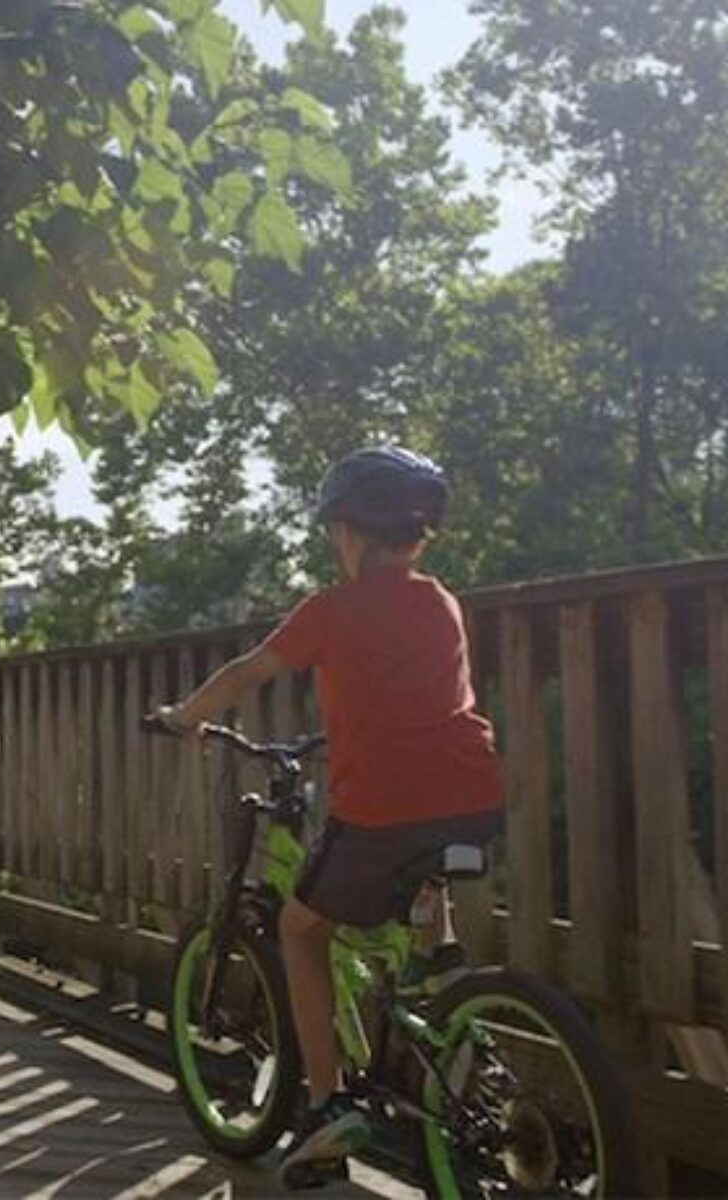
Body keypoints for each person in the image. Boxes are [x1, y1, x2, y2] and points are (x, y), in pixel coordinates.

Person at [156, 447, 504, 1177]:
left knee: (301, 929)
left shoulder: (331, 608)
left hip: (382, 811)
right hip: (475, 800)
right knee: (422, 868)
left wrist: (185, 717)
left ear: (349, 533)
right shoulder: (442, 600)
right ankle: (438, 977)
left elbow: (248, 671)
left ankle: (327, 1106)